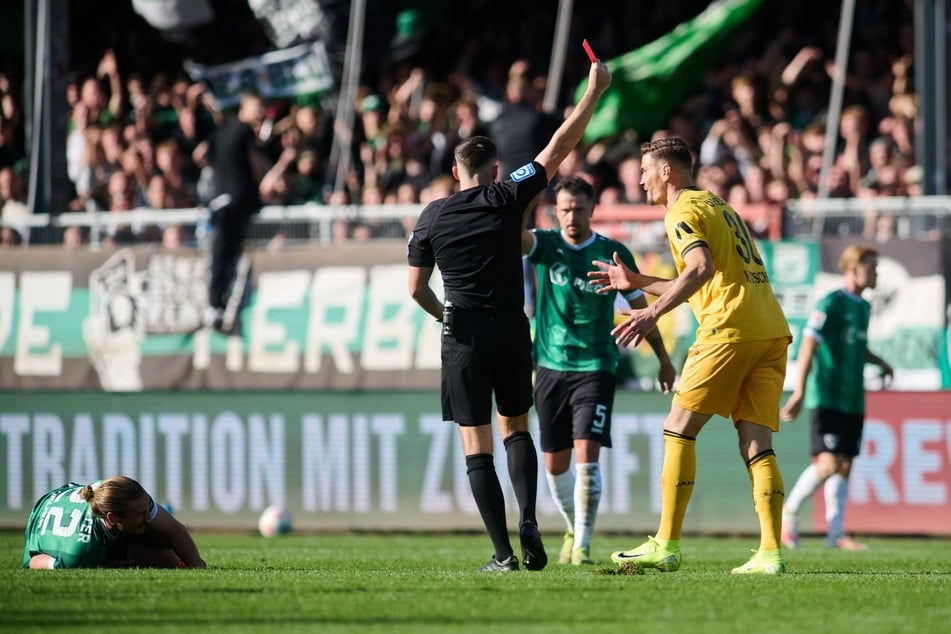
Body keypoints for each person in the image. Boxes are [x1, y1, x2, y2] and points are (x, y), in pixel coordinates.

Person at [407, 57, 612, 572]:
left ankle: (503, 554)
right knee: (516, 429)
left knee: (477, 447)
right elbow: (560, 146)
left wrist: (442, 315)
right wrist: (593, 93)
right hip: (511, 330)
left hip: (463, 334)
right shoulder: (506, 195)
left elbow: (415, 289)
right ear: (495, 170)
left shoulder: (431, 215)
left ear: (456, 172)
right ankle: (529, 519)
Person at [588, 136, 792, 575]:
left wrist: (650, 316)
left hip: (728, 329)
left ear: (666, 171)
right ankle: (770, 553)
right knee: (757, 443)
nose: (640, 181)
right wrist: (639, 281)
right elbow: (702, 276)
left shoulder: (680, 210)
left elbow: (699, 269)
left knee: (678, 427)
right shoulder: (717, 205)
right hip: (769, 329)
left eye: (645, 171)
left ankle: (666, 542)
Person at [522, 175, 676, 566]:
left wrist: (662, 357)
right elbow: (513, 236)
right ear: (555, 212)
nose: (572, 216)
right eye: (565, 209)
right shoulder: (546, 244)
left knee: (586, 455)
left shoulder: (613, 253)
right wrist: (524, 196)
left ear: (593, 210)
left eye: (579, 209)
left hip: (596, 366)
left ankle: (583, 546)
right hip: (550, 366)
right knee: (555, 465)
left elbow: (640, 304)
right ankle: (574, 526)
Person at [780, 244, 893, 551]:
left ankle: (835, 532)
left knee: (845, 465)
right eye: (871, 267)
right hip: (827, 395)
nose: (876, 273)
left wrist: (880, 362)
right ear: (853, 268)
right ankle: (787, 518)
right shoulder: (830, 303)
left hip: (853, 397)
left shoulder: (864, 307)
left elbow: (857, 346)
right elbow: (808, 344)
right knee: (829, 464)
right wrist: (800, 389)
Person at [22, 476, 206, 569]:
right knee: (166, 558)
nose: (148, 516)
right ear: (112, 518)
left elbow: (175, 531)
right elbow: (33, 561)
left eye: (146, 509)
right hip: (40, 521)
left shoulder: (110, 491)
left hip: (64, 500)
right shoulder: (80, 553)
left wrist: (199, 566)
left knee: (163, 536)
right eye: (140, 513)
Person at [203, 93, 268, 333]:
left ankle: (215, 304)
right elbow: (255, 164)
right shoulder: (245, 132)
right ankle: (218, 303)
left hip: (221, 201)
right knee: (230, 253)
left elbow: (202, 156)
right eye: (257, 106)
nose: (260, 111)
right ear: (243, 107)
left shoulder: (219, 132)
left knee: (222, 254)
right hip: (240, 202)